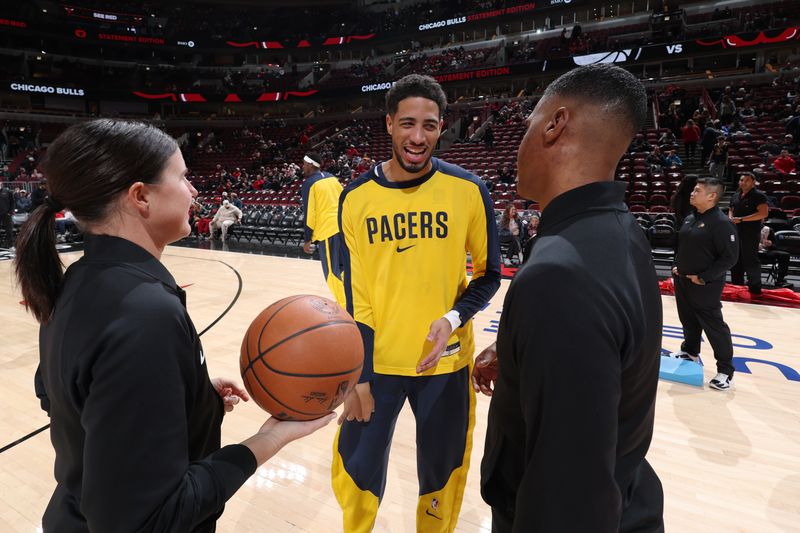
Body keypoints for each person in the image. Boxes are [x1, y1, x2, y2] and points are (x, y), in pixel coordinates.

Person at [14, 120, 333, 532]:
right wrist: (268, 440)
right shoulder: (144, 313)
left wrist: (186, 398)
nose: (194, 191)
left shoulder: (77, 280)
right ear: (141, 196)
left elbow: (58, 397)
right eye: (183, 177)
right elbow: (149, 519)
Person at [474, 64, 664, 531]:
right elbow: (610, 343)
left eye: (527, 125)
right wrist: (521, 353)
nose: (519, 143)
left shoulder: (560, 275)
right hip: (629, 492)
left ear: (556, 124)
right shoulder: (616, 230)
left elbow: (569, 497)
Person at [333, 74, 501, 532]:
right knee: (357, 470)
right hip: (378, 367)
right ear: (388, 124)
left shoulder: (468, 190)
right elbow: (355, 298)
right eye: (407, 123)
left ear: (442, 127)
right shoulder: (355, 198)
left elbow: (488, 276)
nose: (417, 136)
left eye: (429, 125)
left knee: (441, 475)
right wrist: (359, 377)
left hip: (443, 367)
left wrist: (452, 318)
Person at [670, 177, 738, 391]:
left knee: (714, 326)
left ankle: (726, 371)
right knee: (688, 319)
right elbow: (686, 247)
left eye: (697, 190)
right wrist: (678, 266)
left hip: (704, 284)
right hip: (683, 280)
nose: (692, 192)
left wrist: (704, 277)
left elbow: (730, 258)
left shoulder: (721, 223)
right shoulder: (691, 217)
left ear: (712, 196)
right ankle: (690, 351)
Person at [300, 151, 345, 305]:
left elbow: (310, 214)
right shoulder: (333, 178)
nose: (303, 167)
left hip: (328, 231)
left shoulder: (309, 184)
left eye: (305, 164)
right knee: (344, 269)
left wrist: (307, 240)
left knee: (332, 273)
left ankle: (346, 308)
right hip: (343, 228)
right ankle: (353, 301)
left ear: (311, 165)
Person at [729, 172, 768, 294]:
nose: (743, 182)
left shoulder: (759, 196)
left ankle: (755, 289)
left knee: (750, 260)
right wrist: (731, 218)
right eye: (741, 180)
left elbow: (763, 214)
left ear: (753, 182)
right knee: (735, 260)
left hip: (750, 233)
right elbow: (731, 210)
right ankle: (737, 286)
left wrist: (741, 219)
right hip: (735, 233)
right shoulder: (735, 196)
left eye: (746, 180)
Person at [759, 224, 793, 288]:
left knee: (784, 255)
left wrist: (770, 244)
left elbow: (775, 246)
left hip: (765, 252)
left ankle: (780, 280)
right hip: (751, 251)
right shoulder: (747, 228)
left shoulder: (768, 229)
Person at [0, 182, 14, 249]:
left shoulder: (8, 191)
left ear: (1, 184)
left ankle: (11, 245)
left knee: (9, 230)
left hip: (6, 214)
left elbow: (12, 202)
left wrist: (10, 212)